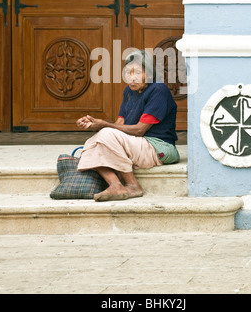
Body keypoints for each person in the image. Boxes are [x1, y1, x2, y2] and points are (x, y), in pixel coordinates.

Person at [76, 50, 180, 202]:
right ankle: (116, 185)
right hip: (137, 145)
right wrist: (94, 125)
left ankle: (132, 185)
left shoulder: (158, 89)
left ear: (150, 75)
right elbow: (119, 124)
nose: (132, 78)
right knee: (91, 143)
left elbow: (139, 130)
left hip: (159, 147)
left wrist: (103, 125)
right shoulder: (129, 91)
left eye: (138, 72)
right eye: (128, 73)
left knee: (105, 134)